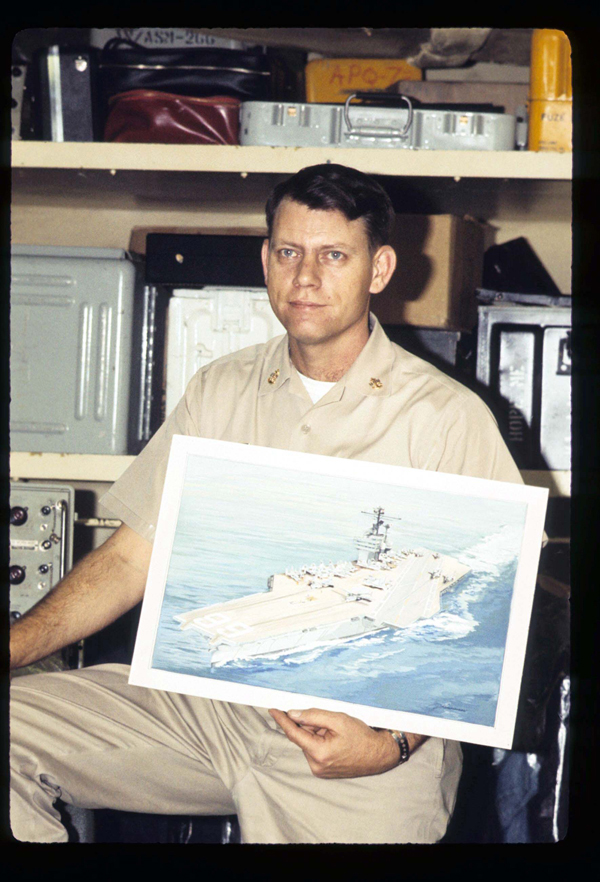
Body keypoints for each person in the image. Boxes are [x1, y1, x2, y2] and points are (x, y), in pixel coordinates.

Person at [10, 163, 523, 844]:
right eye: (289, 252)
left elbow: (491, 612)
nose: (305, 276)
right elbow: (132, 558)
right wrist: (13, 646)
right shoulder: (220, 389)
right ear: (266, 260)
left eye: (333, 255)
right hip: (210, 706)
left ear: (379, 269)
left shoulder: (446, 418)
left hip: (363, 738)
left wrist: (393, 742)